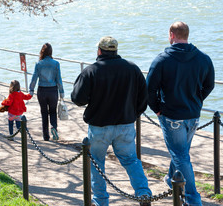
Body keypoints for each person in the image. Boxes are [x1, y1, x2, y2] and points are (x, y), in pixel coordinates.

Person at [71, 36, 152, 206]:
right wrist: (133, 113)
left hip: (99, 126)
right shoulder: (132, 69)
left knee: (97, 162)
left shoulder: (91, 71)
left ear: (99, 51)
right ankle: (143, 193)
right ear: (115, 50)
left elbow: (78, 98)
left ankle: (101, 201)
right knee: (130, 160)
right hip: (125, 124)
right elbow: (144, 98)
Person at [146, 21, 215, 206]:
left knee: (181, 155)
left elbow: (149, 90)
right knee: (181, 152)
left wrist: (157, 109)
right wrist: (198, 101)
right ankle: (171, 178)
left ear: (171, 34)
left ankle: (193, 199)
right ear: (187, 35)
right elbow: (209, 85)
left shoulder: (161, 60)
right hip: (193, 114)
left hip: (171, 115)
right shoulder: (203, 58)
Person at [29, 43, 64, 141]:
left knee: (44, 113)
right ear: (51, 52)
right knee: (53, 111)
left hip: (42, 90)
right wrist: (61, 92)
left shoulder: (38, 64)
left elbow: (34, 78)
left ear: (42, 52)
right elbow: (59, 79)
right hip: (53, 91)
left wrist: (31, 90)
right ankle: (54, 128)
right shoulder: (56, 63)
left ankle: (46, 136)